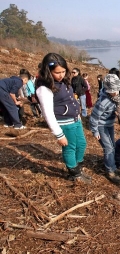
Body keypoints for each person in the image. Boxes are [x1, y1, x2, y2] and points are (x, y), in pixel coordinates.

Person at [36, 53, 91, 184]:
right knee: (70, 147)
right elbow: (48, 113)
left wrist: (77, 113)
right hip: (64, 123)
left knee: (82, 144)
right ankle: (74, 172)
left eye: (63, 71)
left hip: (75, 120)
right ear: (48, 71)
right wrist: (59, 135)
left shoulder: (64, 81)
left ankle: (77, 166)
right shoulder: (44, 88)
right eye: (57, 72)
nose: (61, 75)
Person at [89, 74, 120, 184]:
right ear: (108, 90)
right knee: (108, 148)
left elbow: (117, 108)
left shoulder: (115, 97)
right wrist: (95, 131)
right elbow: (94, 117)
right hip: (101, 126)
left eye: (117, 90)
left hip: (109, 125)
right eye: (114, 91)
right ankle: (110, 171)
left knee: (112, 145)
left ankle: (113, 166)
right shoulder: (103, 102)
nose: (116, 92)